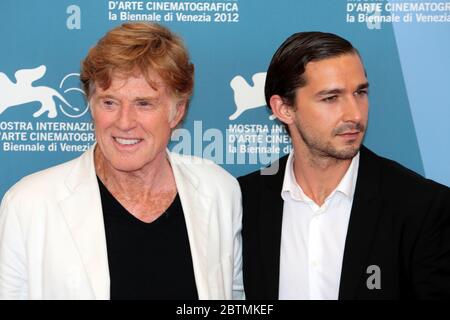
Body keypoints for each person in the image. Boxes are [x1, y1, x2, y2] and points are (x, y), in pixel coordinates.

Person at [0, 22, 243, 300]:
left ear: (177, 112)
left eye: (144, 104)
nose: (124, 122)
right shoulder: (28, 203)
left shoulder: (219, 191)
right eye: (109, 103)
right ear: (91, 105)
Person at [239, 31, 450, 300]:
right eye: (331, 98)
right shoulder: (242, 200)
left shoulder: (422, 206)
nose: (355, 114)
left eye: (360, 92)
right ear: (284, 109)